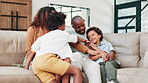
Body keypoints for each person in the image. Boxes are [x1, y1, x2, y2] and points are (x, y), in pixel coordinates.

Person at [24, 6, 99, 83]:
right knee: (76, 70)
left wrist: (87, 50)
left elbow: (74, 43)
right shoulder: (34, 29)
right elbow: (29, 52)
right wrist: (85, 41)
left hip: (38, 62)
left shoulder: (47, 35)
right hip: (42, 59)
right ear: (43, 17)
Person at [30, 11, 83, 83]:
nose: (65, 26)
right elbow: (76, 39)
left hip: (36, 63)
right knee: (77, 71)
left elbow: (32, 51)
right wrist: (85, 41)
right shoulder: (63, 33)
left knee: (53, 81)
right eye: (64, 24)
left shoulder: (44, 36)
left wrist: (26, 67)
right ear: (59, 26)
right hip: (47, 60)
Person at [69, 15, 116, 83]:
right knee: (76, 56)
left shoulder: (89, 32)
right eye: (78, 27)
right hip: (77, 58)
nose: (82, 28)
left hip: (88, 60)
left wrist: (110, 52)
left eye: (83, 25)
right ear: (73, 27)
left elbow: (102, 42)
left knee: (95, 66)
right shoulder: (69, 34)